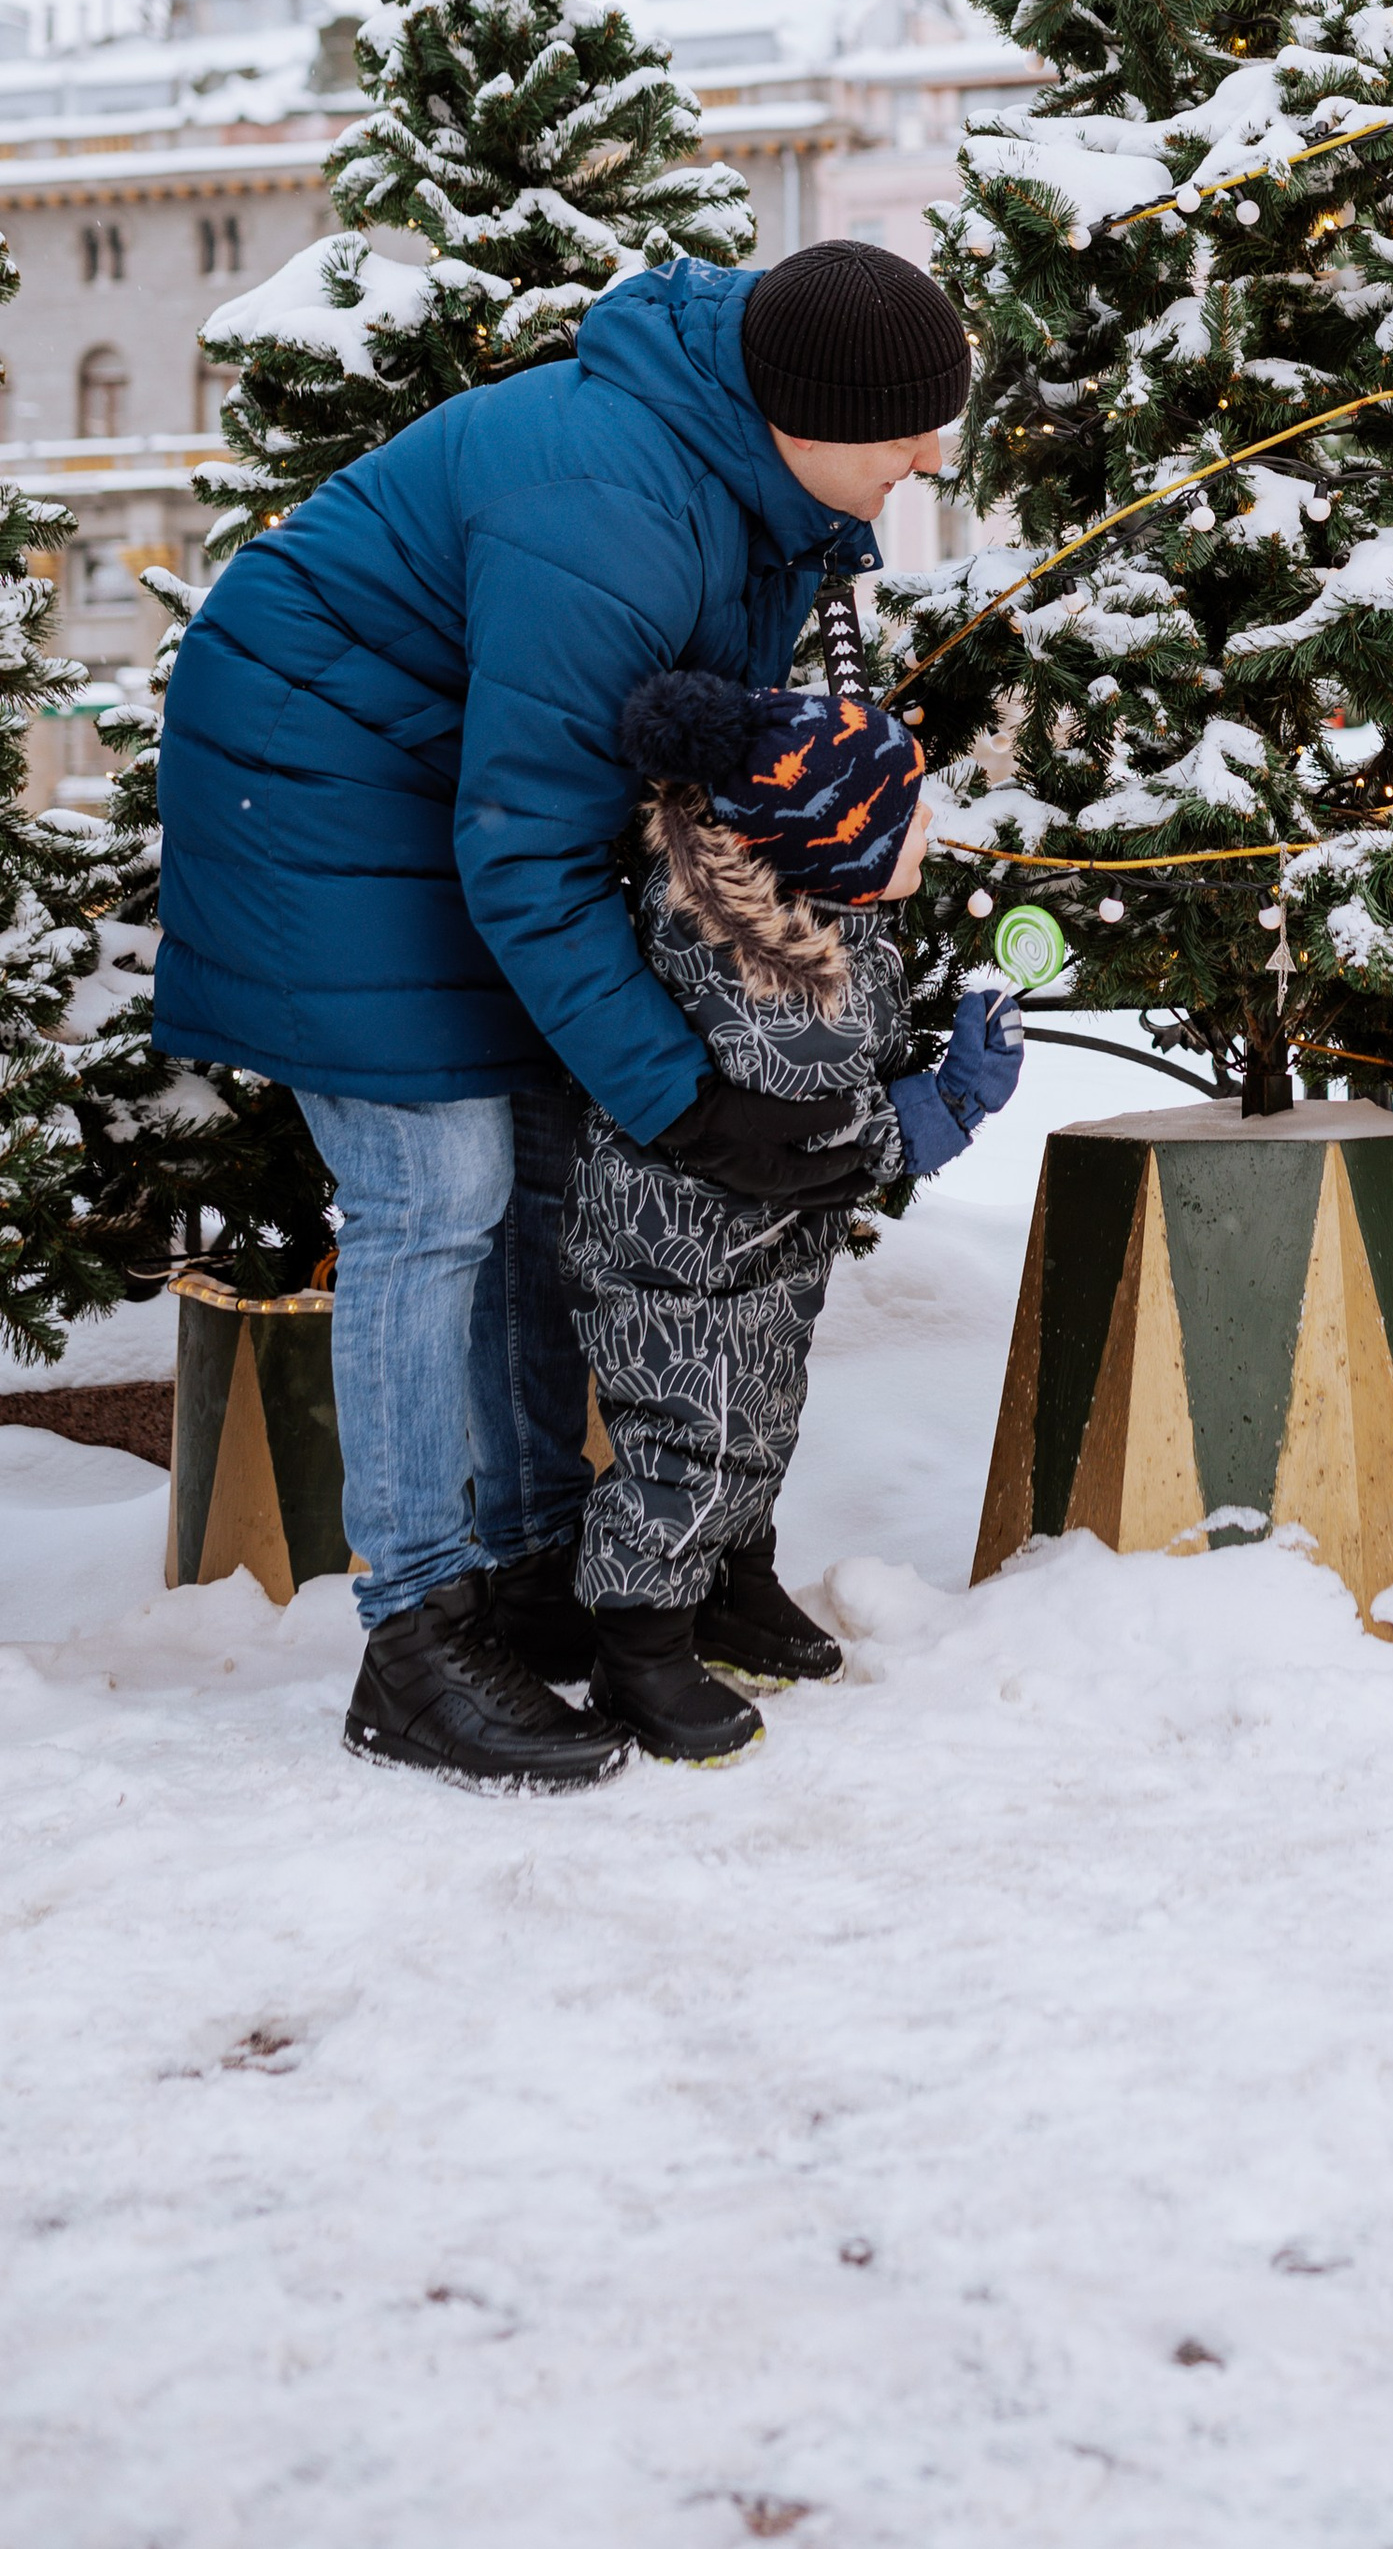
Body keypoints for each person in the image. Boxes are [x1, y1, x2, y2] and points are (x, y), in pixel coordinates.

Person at [153, 238, 976, 1792]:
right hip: (312, 776)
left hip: (444, 765)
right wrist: (684, 1095)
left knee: (542, 1164)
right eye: (904, 430)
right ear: (800, 414)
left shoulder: (753, 480)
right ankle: (413, 1632)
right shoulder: (612, 512)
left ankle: (539, 1571)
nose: (933, 458)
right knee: (432, 1190)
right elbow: (524, 847)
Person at [563, 663, 1024, 1765]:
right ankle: (638, 1642)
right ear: (834, 841)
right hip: (680, 1259)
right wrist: (950, 1099)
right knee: (694, 1438)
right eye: (907, 818)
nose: (932, 830)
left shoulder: (814, 903)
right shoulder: (757, 972)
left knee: (756, 1424)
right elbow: (814, 1135)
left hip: (760, 1254)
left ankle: (729, 1585)